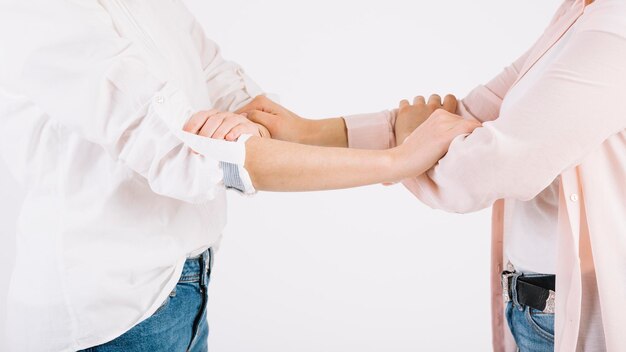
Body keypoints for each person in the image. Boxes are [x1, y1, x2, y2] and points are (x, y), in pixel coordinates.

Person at [0, 1, 477, 351]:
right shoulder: (45, 12)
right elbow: (188, 153)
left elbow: (233, 100)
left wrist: (385, 132)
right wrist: (396, 162)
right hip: (108, 318)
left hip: (179, 291)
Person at [234, 0, 626, 350]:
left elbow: (484, 169)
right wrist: (309, 132)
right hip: (535, 309)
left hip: (570, 316)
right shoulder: (583, 14)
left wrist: (409, 143)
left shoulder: (615, 33)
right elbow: (471, 114)